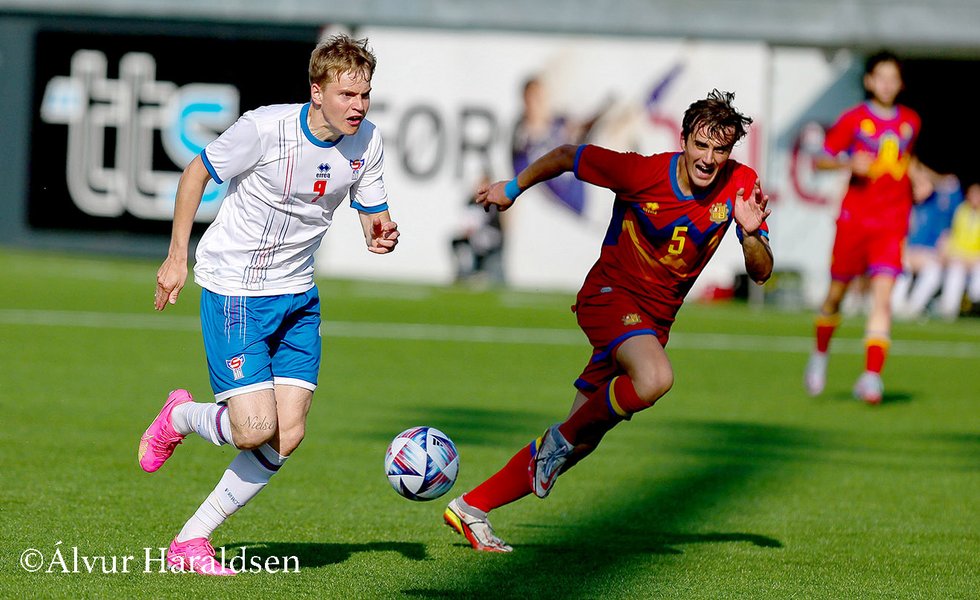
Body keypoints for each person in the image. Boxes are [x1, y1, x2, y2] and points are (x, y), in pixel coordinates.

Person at [442, 90, 772, 552]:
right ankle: (558, 440)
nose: (708, 158)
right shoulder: (641, 173)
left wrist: (751, 235)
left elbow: (761, 273)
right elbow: (565, 155)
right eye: (701, 145)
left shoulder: (740, 184)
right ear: (683, 140)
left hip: (651, 325)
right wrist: (511, 189)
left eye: (720, 149)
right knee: (654, 378)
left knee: (581, 439)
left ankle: (471, 508)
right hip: (608, 298)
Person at [138, 34, 399, 576]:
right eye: (347, 94)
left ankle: (191, 540)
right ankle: (180, 416)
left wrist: (381, 233)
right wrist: (176, 257)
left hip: (298, 295)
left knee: (288, 434)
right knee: (254, 428)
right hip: (236, 289)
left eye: (365, 94)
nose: (358, 106)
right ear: (317, 91)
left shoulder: (368, 141)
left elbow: (372, 212)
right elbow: (195, 173)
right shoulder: (265, 128)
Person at [803, 50, 922, 405]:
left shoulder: (911, 122)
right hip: (854, 221)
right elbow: (820, 160)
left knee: (882, 298)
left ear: (900, 84)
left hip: (891, 223)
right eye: (880, 77)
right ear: (869, 81)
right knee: (835, 295)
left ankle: (871, 378)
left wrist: (921, 179)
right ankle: (820, 353)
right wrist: (847, 164)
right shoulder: (853, 119)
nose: (886, 84)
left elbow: (906, 160)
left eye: (893, 78)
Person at [892, 171, 962, 319]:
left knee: (933, 271)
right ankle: (896, 306)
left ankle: (914, 308)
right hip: (906, 254)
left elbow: (951, 184)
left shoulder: (940, 207)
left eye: (923, 185)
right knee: (901, 266)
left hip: (928, 255)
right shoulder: (904, 205)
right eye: (916, 186)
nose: (918, 189)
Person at [451, 172, 506, 286]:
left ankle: (477, 271)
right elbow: (466, 219)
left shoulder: (493, 201)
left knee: (479, 242)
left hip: (489, 235)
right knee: (458, 243)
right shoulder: (471, 200)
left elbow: (490, 222)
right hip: (474, 236)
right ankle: (465, 272)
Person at [936, 179, 980, 319]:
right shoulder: (960, 211)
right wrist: (949, 253)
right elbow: (951, 234)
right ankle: (949, 310)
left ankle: (974, 306)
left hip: (976, 258)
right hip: (959, 256)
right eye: (973, 194)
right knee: (955, 271)